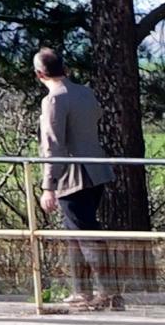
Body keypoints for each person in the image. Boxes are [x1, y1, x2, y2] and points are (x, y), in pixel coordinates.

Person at [36, 42, 119, 309]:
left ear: (39, 74)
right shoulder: (86, 93)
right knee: (76, 232)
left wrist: (48, 186)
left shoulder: (53, 100)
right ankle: (82, 291)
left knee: (84, 233)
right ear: (65, 69)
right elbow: (95, 118)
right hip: (97, 171)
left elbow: (53, 144)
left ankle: (106, 294)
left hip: (73, 176)